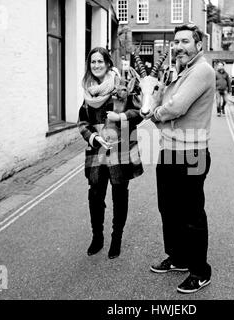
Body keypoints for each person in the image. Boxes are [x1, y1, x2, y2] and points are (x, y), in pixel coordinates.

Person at [144, 23, 215, 294]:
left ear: (199, 45)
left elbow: (176, 106)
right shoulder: (182, 70)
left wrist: (153, 114)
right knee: (169, 208)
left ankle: (200, 271)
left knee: (191, 213)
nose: (178, 47)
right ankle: (178, 257)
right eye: (175, 42)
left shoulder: (202, 71)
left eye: (185, 41)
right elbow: (162, 97)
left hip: (192, 153)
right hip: (170, 150)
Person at [77, 47, 144, 259]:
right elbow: (82, 123)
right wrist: (92, 137)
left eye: (100, 61)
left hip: (120, 150)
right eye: (92, 62)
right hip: (97, 152)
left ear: (107, 63)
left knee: (119, 195)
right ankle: (98, 237)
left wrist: (119, 117)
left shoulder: (121, 87)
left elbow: (139, 113)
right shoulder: (89, 91)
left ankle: (117, 238)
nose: (96, 65)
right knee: (95, 196)